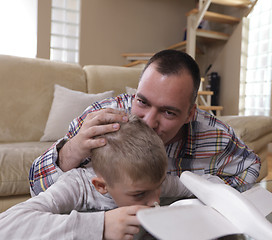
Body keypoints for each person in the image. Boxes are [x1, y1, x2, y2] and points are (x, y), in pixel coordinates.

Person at [29, 49, 260, 194]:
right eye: (142, 102)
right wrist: (72, 149)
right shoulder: (100, 120)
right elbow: (37, 189)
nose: (149, 122)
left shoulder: (215, 135)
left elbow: (251, 166)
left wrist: (207, 199)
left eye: (168, 112)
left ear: (190, 115)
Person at [0, 115, 193, 240]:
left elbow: (195, 184)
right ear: (101, 186)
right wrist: (102, 225)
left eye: (159, 186)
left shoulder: (150, 183)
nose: (155, 200)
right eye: (140, 194)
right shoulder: (78, 185)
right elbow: (6, 225)